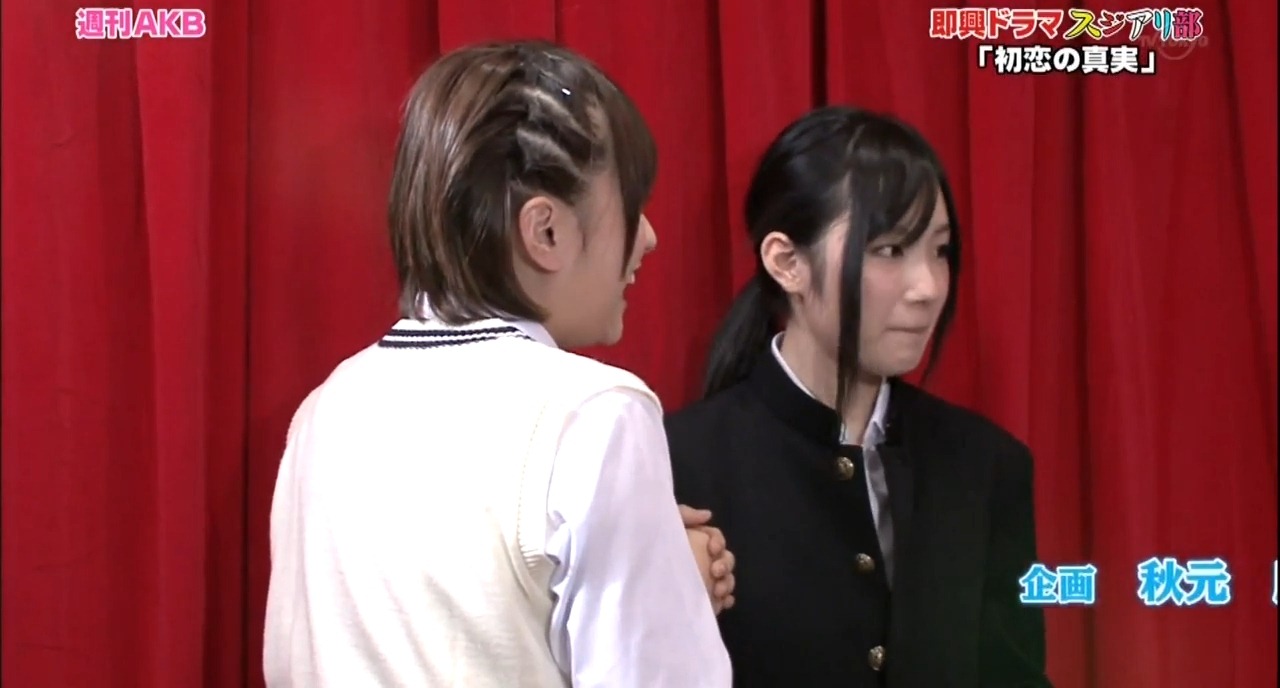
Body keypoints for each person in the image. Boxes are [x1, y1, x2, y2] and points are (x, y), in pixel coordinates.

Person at [264, 40, 735, 687]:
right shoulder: (594, 414)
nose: (648, 237)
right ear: (546, 231)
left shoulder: (325, 409)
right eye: (632, 205)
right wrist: (673, 599)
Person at [666, 106, 1050, 687]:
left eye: (940, 251)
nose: (928, 287)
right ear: (787, 263)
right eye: (890, 250)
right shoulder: (678, 464)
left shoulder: (985, 465)